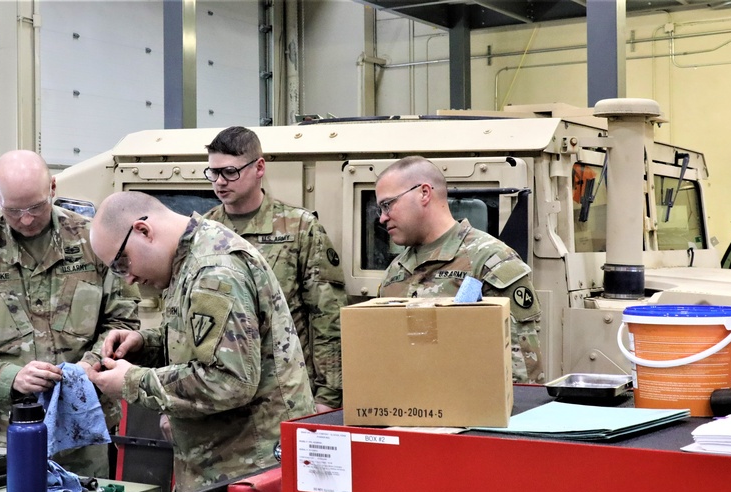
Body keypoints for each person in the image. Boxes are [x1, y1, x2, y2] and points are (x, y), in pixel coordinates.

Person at [85, 191, 314, 492]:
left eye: (122, 263)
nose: (127, 279)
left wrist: (131, 382)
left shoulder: (214, 270)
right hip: (227, 466)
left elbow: (228, 381)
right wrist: (145, 345)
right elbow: (203, 342)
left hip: (250, 471)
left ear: (143, 231)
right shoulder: (187, 260)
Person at [0, 150, 140, 478]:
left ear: (53, 188)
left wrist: (92, 362)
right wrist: (10, 377)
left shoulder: (95, 241)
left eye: (36, 207)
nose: (26, 219)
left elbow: (123, 321)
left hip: (80, 432)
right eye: (13, 210)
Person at [202, 126, 346, 412]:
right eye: (213, 173)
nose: (220, 182)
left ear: (259, 168)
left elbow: (327, 317)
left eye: (230, 172)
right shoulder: (204, 231)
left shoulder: (299, 228)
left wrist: (327, 396)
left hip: (284, 391)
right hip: (219, 390)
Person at [375, 156, 544, 384]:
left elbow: (522, 372)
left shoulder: (489, 260)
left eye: (388, 204)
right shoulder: (395, 271)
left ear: (424, 193)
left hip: (474, 412)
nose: (383, 218)